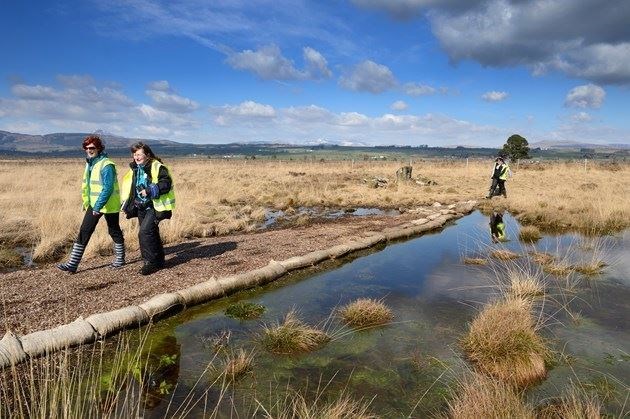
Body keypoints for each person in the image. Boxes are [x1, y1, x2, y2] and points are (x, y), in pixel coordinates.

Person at [58, 135, 125, 273]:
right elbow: (89, 186)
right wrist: (88, 202)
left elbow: (108, 188)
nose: (89, 150)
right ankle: (73, 264)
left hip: (108, 204)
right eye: (87, 148)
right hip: (95, 204)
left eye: (92, 147)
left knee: (113, 230)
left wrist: (98, 206)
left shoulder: (106, 165)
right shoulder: (90, 163)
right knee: (84, 230)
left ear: (99, 148)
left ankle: (120, 259)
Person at [121, 142, 175, 275]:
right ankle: (159, 261)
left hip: (153, 205)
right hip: (140, 206)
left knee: (144, 232)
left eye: (139, 154)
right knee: (152, 232)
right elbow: (131, 189)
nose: (136, 157)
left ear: (148, 155)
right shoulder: (134, 169)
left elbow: (165, 184)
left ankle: (150, 263)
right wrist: (126, 204)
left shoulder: (157, 167)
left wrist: (150, 190)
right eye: (134, 154)